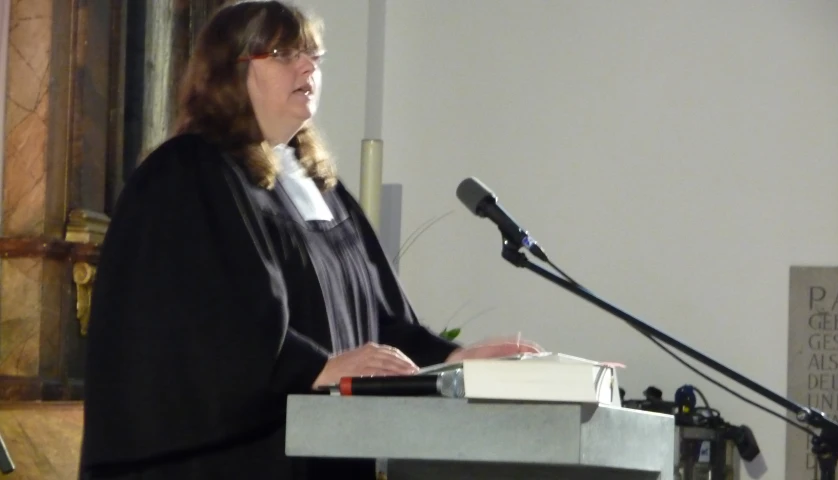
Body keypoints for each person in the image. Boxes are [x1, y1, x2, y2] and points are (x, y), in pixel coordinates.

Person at [78, 1, 542, 479]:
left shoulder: (323, 188)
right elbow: (202, 330)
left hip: (324, 455)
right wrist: (311, 369)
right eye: (283, 53)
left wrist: (449, 360)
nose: (307, 67)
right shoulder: (187, 174)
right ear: (227, 72)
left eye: (313, 56)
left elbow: (379, 323)